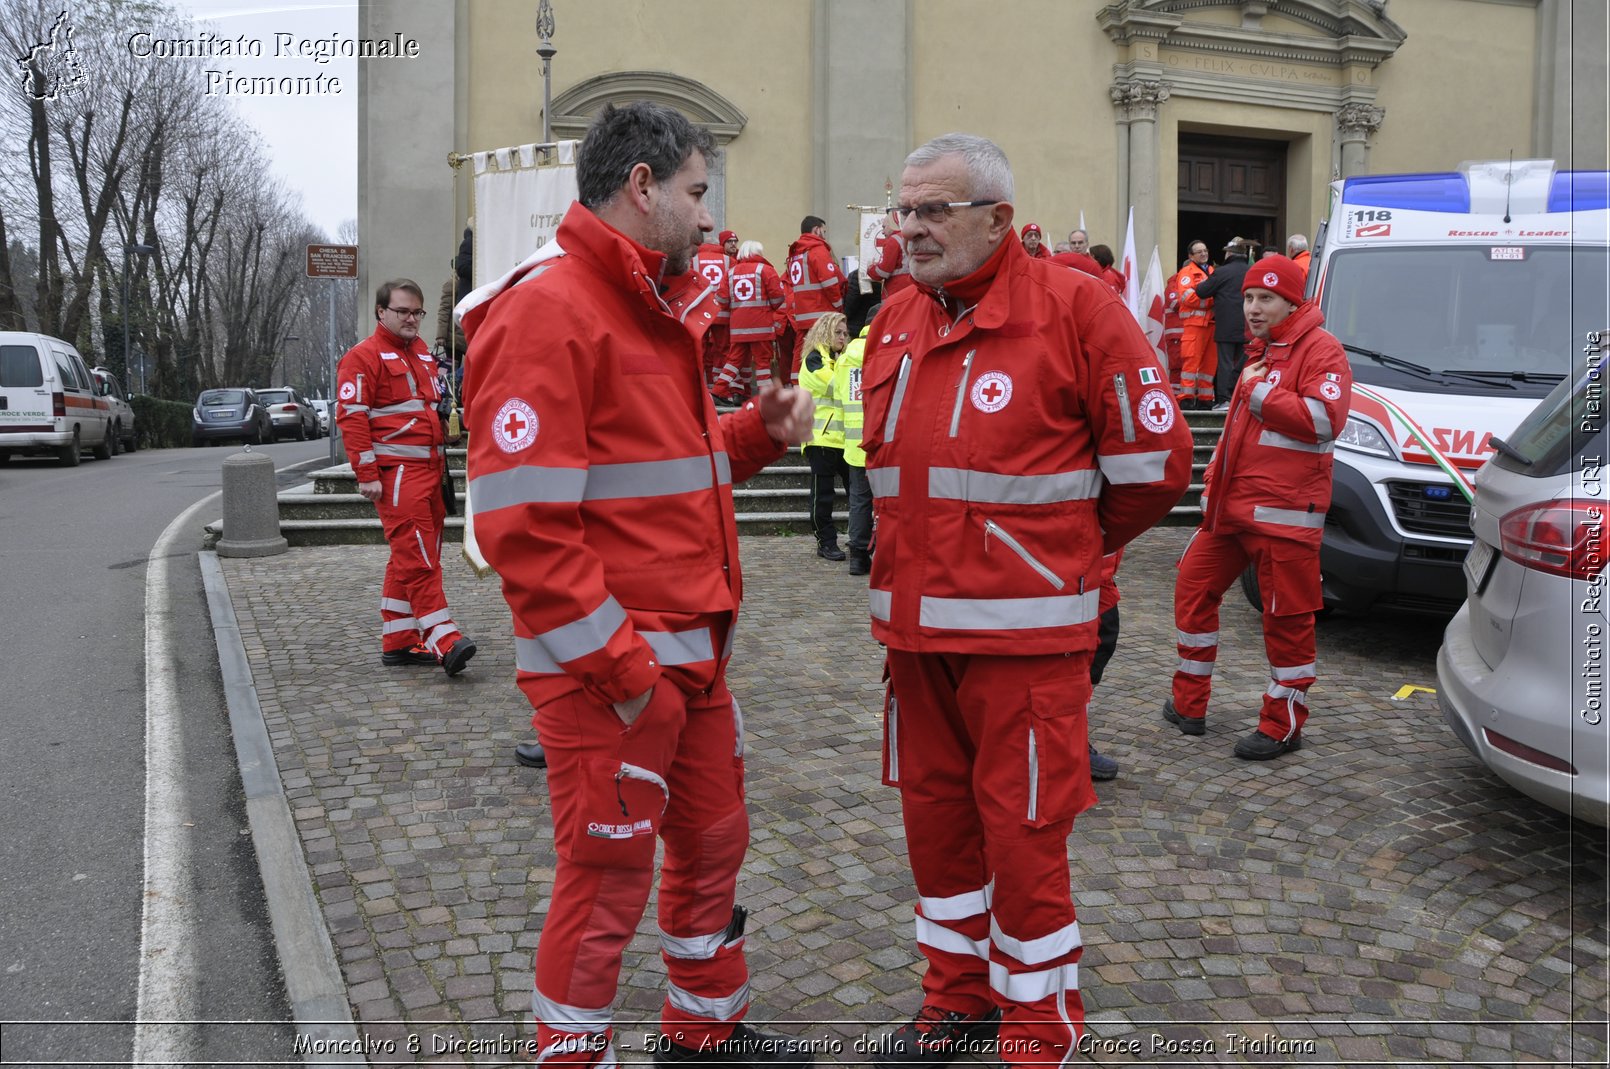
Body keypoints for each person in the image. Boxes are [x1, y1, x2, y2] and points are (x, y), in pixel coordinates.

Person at [457, 101, 816, 1068]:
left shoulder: (653, 305)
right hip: (616, 672)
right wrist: (625, 671)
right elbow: (524, 531)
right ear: (644, 185)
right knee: (607, 877)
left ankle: (704, 1029)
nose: (710, 220)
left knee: (711, 847)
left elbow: (663, 477)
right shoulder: (550, 311)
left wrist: (761, 436)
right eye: (699, 192)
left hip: (687, 661)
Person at [860, 133, 1191, 1067]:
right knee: (936, 829)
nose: (912, 230)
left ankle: (1039, 1028)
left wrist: (1056, 557)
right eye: (905, 209)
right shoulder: (895, 315)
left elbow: (1151, 470)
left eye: (935, 210)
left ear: (999, 218)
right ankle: (955, 1000)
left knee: (1025, 839)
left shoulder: (1077, 308)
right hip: (915, 639)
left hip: (1029, 644)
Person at [1163, 254, 1351, 761]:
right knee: (1192, 586)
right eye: (1247, 298)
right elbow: (1237, 434)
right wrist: (1211, 483)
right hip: (1231, 511)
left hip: (1285, 519)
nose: (1252, 307)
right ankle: (1189, 705)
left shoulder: (1321, 349)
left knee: (1286, 622)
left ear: (1292, 300)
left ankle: (1281, 724)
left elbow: (1324, 421)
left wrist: (1258, 389)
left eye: (1265, 298)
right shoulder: (1262, 350)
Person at [335, 279, 477, 677]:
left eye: (417, 312)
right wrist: (367, 474)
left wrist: (447, 426)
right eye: (403, 311)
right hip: (397, 475)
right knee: (417, 558)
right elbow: (352, 417)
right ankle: (442, 637)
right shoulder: (362, 357)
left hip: (431, 471)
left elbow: (425, 407)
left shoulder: (421, 354)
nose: (411, 319)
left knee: (413, 554)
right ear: (382, 312)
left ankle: (398, 640)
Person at [797, 312, 853, 562]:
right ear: (824, 332)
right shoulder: (814, 359)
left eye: (845, 333)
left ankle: (859, 539)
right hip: (820, 437)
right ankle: (826, 542)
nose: (842, 337)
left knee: (857, 493)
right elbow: (838, 386)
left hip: (845, 438)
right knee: (823, 496)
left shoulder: (843, 359)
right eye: (837, 332)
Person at [716, 239, 787, 399]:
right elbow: (778, 297)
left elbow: (722, 300)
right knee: (762, 363)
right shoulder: (765, 269)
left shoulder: (731, 272)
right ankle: (765, 397)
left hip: (737, 327)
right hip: (761, 326)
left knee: (734, 360)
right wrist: (768, 308)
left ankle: (718, 390)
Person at [1193, 237, 1253, 408]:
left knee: (1225, 363)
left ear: (1229, 253)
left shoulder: (1222, 272)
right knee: (1244, 362)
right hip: (1248, 325)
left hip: (1226, 326)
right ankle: (1241, 398)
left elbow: (1202, 291)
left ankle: (1225, 399)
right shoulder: (1252, 270)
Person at [835, 316, 874, 577]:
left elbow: (838, 396)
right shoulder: (884, 347)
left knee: (859, 501)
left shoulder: (845, 357)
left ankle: (858, 557)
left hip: (853, 440)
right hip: (884, 437)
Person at [785, 215, 844, 383]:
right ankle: (819, 385)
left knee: (800, 351)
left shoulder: (796, 252)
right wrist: (838, 306)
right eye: (823, 231)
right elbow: (830, 283)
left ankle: (796, 385)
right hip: (820, 311)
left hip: (802, 312)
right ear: (817, 230)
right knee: (822, 351)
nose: (824, 236)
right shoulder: (817, 249)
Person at [1172, 239, 1216, 409]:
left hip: (1212, 325)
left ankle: (1206, 400)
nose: (1204, 254)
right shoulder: (1186, 272)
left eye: (1205, 250)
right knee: (1191, 363)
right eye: (1199, 252)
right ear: (1191, 256)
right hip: (1195, 325)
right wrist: (1213, 301)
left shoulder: (1212, 271)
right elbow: (1187, 298)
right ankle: (1187, 399)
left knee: (1209, 365)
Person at [694, 229, 736, 393]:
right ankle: (720, 386)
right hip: (722, 311)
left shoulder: (694, 259)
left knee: (700, 348)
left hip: (700, 312)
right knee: (723, 349)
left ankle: (701, 384)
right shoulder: (728, 261)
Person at [866, 211, 914, 298]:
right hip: (911, 286)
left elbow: (883, 272)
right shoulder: (908, 237)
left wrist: (871, 268)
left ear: (891, 225)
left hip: (896, 289)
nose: (883, 232)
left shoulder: (893, 241)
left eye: (884, 227)